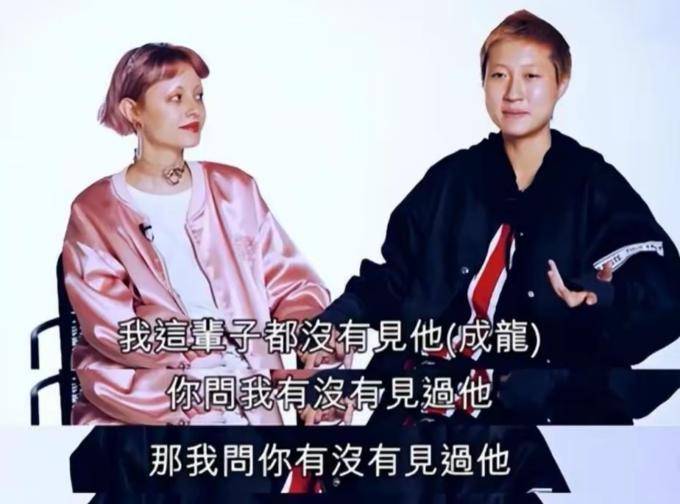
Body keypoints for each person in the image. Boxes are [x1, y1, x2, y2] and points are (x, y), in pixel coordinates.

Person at [296, 9, 680, 497]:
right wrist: (335, 323)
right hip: (428, 409)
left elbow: (659, 280)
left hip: (535, 413)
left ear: (561, 82)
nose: (513, 92)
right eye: (499, 76)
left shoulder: (592, 183)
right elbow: (392, 279)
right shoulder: (451, 180)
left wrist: (601, 297)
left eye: (531, 76)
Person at [63, 42, 332, 425]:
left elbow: (295, 287)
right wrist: (187, 344)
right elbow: (113, 328)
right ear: (132, 110)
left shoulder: (234, 191)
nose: (194, 110)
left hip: (247, 397)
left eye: (198, 96)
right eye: (176, 98)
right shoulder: (95, 210)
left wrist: (308, 341)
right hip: (155, 404)